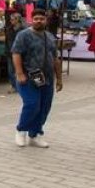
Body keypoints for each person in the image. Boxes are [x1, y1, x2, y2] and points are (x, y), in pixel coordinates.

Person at [11, 10, 62, 148]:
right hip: (28, 77)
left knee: (44, 107)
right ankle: (21, 130)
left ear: (46, 20)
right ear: (31, 20)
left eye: (42, 18)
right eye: (36, 18)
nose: (39, 21)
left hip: (47, 78)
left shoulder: (50, 36)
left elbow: (55, 58)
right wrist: (19, 73)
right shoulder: (23, 35)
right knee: (32, 104)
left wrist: (59, 78)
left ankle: (35, 134)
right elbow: (16, 53)